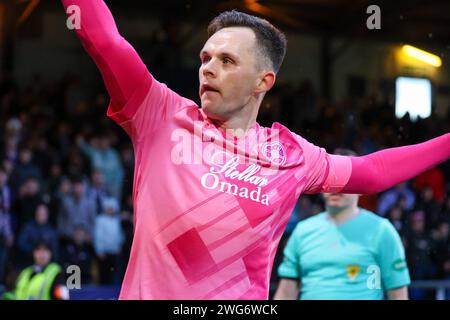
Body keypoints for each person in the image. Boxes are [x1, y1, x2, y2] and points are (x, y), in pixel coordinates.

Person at [61, 0, 450, 299]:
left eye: (227, 60)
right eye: (205, 57)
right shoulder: (159, 115)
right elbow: (104, 39)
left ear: (263, 81)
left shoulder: (292, 156)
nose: (207, 68)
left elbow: (373, 173)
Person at [274, 149, 410, 300]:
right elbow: (286, 292)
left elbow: (398, 294)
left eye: (347, 178)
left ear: (362, 187)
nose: (337, 186)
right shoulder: (302, 231)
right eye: (332, 177)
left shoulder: (382, 231)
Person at [2, 241, 69, 300]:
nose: (41, 254)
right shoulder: (26, 272)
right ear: (33, 253)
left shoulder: (56, 273)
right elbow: (17, 294)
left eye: (45, 250)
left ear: (50, 254)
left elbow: (63, 295)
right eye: (38, 250)